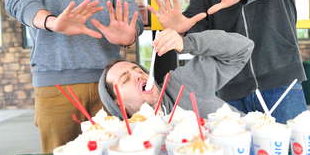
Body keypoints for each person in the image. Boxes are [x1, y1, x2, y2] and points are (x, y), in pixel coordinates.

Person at [5, 0, 143, 153]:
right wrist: (51, 21)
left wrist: (129, 33)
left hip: (110, 86)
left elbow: (132, 16)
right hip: (55, 82)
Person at [148, 0, 307, 123]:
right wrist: (182, 29)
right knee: (234, 151)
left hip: (281, 82)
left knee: (293, 150)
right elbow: (200, 31)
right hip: (230, 92)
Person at [98, 29, 253, 118]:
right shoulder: (128, 141)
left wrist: (187, 43)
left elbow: (242, 48)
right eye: (125, 79)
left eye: (138, 70)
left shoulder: (181, 83)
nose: (138, 75)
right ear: (117, 103)